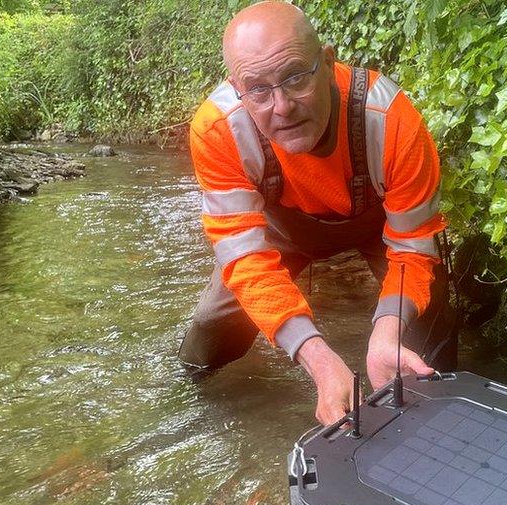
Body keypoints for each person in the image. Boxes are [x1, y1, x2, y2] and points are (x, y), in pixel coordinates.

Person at [179, 1, 458, 426]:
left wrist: (386, 331)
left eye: (295, 77)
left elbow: (412, 249)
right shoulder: (218, 131)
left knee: (424, 331)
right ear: (236, 87)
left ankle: (442, 405)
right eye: (258, 88)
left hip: (378, 227)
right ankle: (200, 408)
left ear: (327, 63)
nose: (282, 106)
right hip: (281, 232)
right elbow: (246, 260)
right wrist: (318, 357)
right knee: (208, 333)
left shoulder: (392, 121)